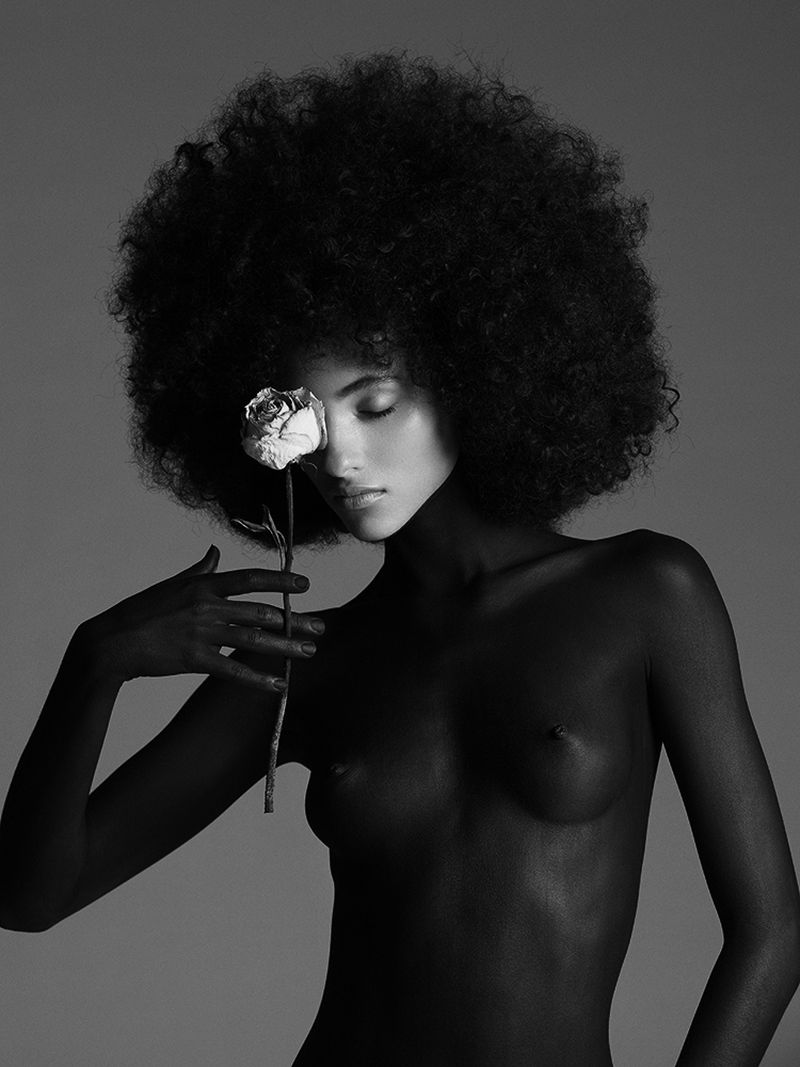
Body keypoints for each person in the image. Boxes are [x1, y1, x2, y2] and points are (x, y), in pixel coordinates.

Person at [1, 49, 798, 1066]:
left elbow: (770, 930)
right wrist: (93, 665)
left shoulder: (645, 593)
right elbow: (31, 896)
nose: (341, 456)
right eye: (306, 420)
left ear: (478, 367)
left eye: (375, 402)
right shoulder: (300, 661)